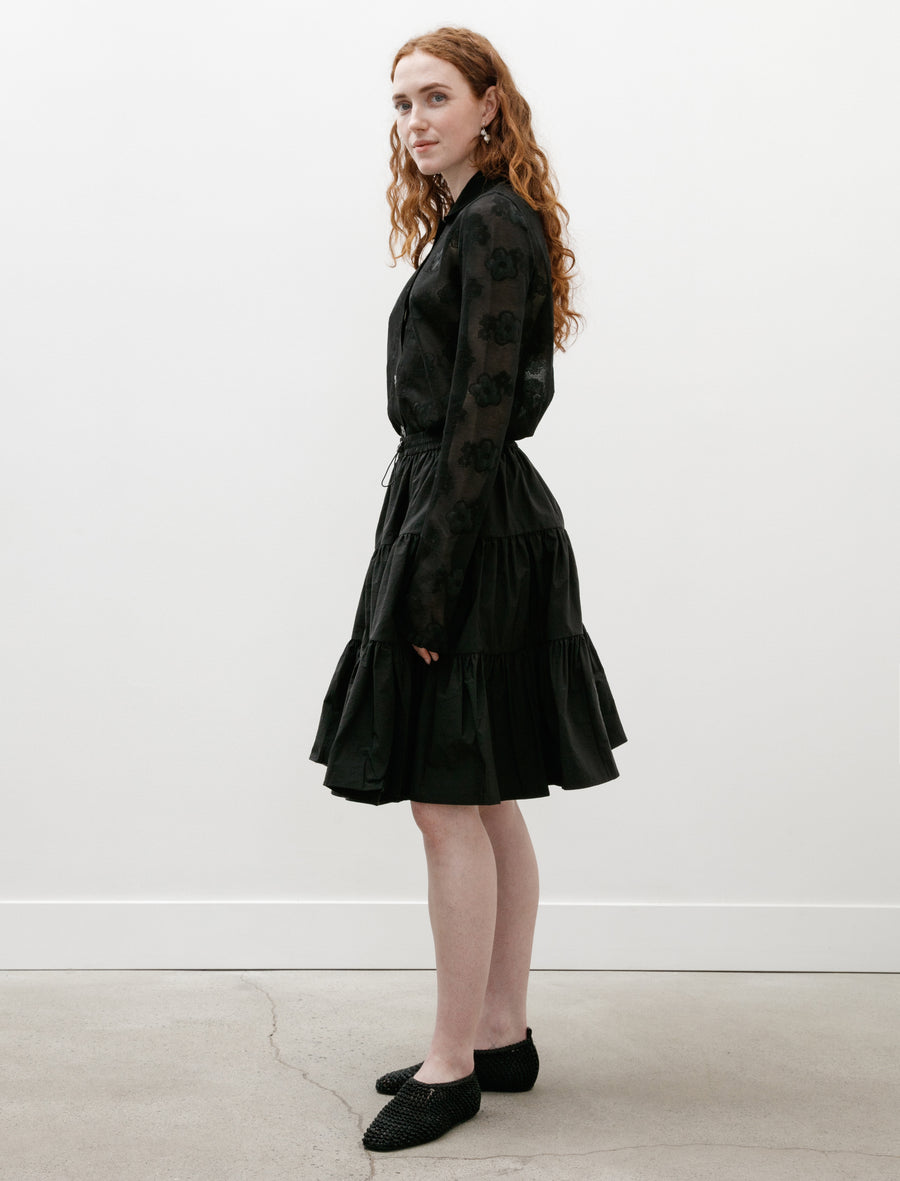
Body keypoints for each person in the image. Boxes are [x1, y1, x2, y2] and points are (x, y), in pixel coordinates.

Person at [310, 26, 627, 1152]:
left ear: (491, 105)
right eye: (400, 104)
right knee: (483, 794)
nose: (414, 121)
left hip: (471, 519)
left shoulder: (493, 223)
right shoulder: (478, 217)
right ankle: (499, 1032)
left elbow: (485, 416)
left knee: (448, 798)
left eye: (436, 97)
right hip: (460, 507)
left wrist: (433, 585)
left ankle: (455, 1065)